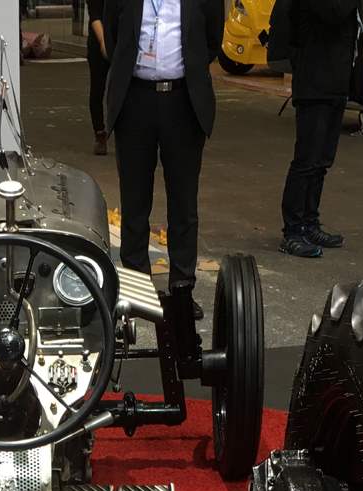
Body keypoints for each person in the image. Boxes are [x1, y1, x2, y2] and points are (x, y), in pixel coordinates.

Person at [103, 0, 224, 318]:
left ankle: (182, 291)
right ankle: (137, 292)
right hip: (135, 101)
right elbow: (115, 40)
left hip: (183, 103)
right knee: (134, 204)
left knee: (184, 207)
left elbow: (211, 40)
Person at [270, 0, 363, 257]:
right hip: (314, 83)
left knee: (322, 162)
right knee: (306, 162)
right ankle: (291, 232)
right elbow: (333, 12)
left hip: (336, 83)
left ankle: (309, 223)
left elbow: (343, 28)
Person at [87, 0, 109, 155]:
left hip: (121, 41)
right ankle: (99, 133)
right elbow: (94, 15)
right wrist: (103, 41)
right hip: (98, 42)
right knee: (97, 90)